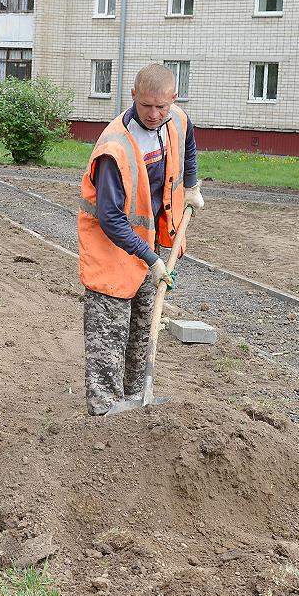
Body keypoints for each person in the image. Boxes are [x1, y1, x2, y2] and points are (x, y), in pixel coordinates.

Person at [77, 63, 205, 416]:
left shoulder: (175, 120)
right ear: (133, 96)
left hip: (153, 244)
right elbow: (110, 218)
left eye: (161, 106)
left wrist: (191, 186)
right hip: (112, 250)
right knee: (110, 331)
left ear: (173, 100)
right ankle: (104, 407)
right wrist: (151, 259)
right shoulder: (113, 148)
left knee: (142, 325)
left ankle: (135, 399)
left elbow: (188, 143)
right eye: (146, 105)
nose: (154, 114)